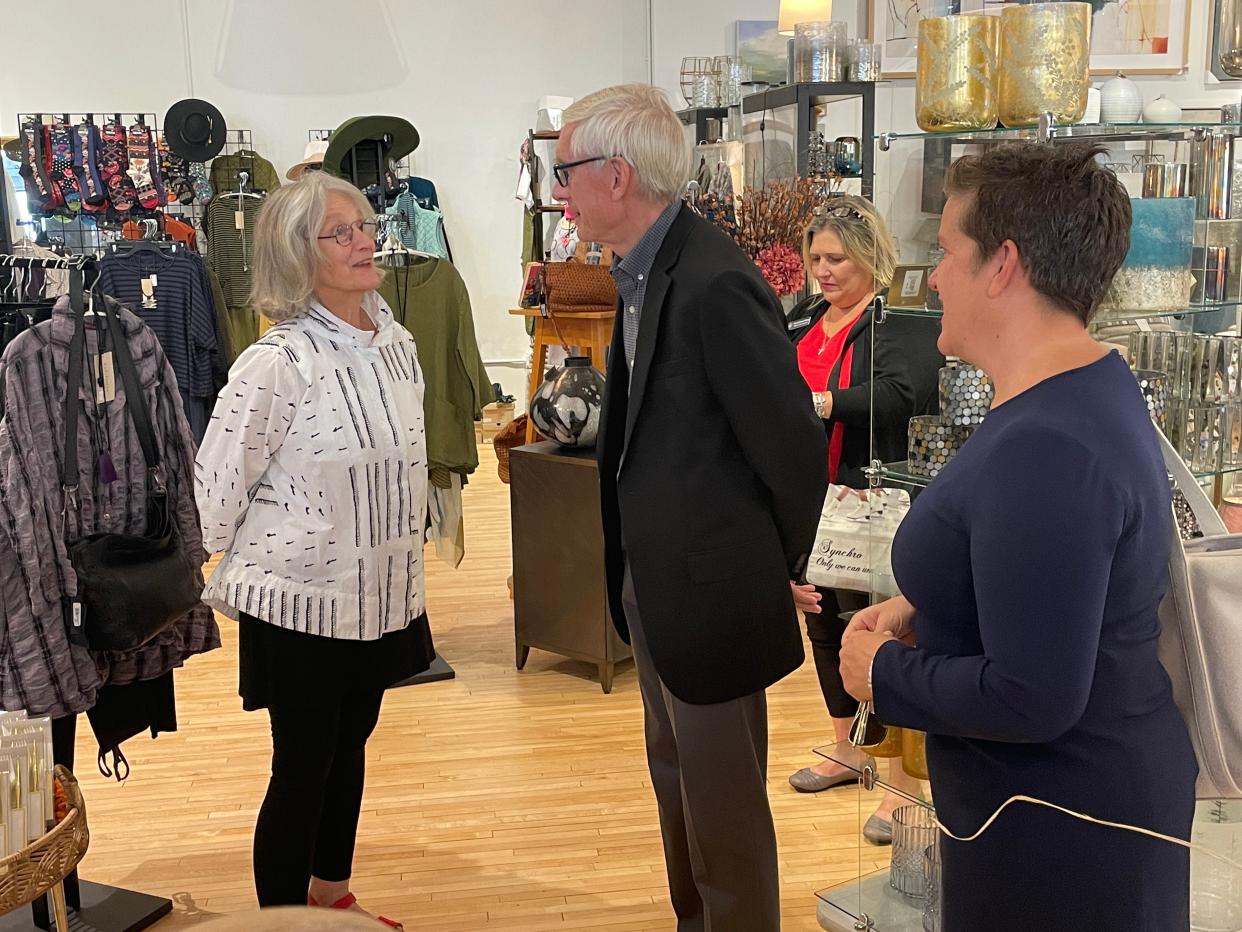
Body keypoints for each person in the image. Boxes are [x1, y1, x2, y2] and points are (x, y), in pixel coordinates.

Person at [839, 143, 1197, 930]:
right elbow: (1053, 583)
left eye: (947, 252)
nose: (931, 276)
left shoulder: (1050, 443)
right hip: (1059, 808)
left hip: (1060, 831)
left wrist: (885, 675)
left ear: (1003, 265)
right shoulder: (1080, 388)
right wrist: (925, 603)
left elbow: (1035, 696)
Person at [553, 83, 828, 931]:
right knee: (678, 786)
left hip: (712, 592)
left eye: (563, 171)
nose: (554, 190)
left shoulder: (711, 280)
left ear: (617, 175)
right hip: (661, 581)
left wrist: (779, 569)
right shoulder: (644, 273)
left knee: (724, 815)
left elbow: (787, 445)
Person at [196, 171, 434, 930]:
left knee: (352, 742)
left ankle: (333, 896)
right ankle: (282, 922)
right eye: (342, 232)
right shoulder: (279, 362)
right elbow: (218, 481)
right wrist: (191, 576)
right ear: (299, 254)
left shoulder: (395, 341)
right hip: (299, 598)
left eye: (364, 226)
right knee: (303, 761)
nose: (365, 241)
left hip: (379, 591)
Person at [783, 197, 941, 846]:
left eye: (836, 259)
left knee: (880, 629)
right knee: (825, 620)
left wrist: (822, 403)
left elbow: (907, 393)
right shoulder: (805, 318)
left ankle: (908, 783)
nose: (822, 270)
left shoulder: (897, 320)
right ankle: (849, 748)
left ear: (869, 256)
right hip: (813, 498)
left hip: (875, 498)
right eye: (815, 258)